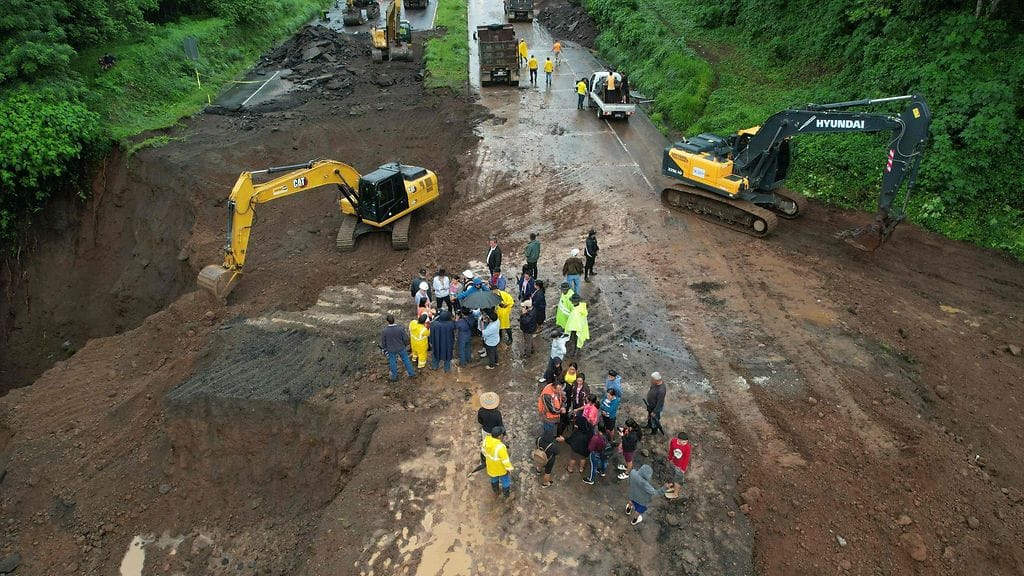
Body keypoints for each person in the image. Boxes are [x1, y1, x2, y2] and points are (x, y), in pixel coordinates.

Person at [380, 314, 415, 381]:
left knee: (392, 361)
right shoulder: (400, 328)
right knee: (406, 360)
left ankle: (394, 377)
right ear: (394, 320)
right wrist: (405, 345)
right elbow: (406, 339)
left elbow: (383, 342)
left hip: (391, 349)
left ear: (387, 321)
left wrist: (384, 349)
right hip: (401, 348)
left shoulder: (385, 331)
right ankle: (412, 373)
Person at [482, 426, 514, 499]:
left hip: (490, 466)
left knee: (494, 478)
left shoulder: (486, 440)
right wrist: (510, 469)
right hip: (501, 468)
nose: (503, 435)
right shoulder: (501, 447)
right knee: (505, 480)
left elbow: (483, 451)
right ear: (499, 436)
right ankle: (506, 494)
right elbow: (505, 460)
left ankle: (496, 490)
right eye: (502, 434)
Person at [666, 432, 691, 499]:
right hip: (673, 462)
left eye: (686, 442)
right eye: (683, 442)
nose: (685, 444)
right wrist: (670, 458)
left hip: (680, 467)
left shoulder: (687, 448)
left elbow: (686, 459)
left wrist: (683, 469)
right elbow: (671, 450)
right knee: (672, 474)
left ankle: (675, 494)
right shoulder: (673, 441)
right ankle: (672, 486)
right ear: (678, 440)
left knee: (678, 480)